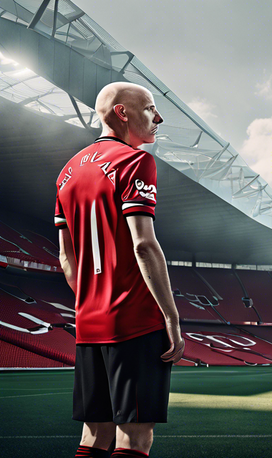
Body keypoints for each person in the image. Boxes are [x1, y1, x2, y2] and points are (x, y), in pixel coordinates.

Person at [55, 81, 184, 458]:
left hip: (90, 322)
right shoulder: (135, 161)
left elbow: (67, 258)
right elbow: (143, 244)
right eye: (149, 108)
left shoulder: (67, 172)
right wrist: (172, 318)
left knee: (95, 435)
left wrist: (94, 303)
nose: (158, 118)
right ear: (122, 113)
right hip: (135, 322)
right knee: (135, 437)